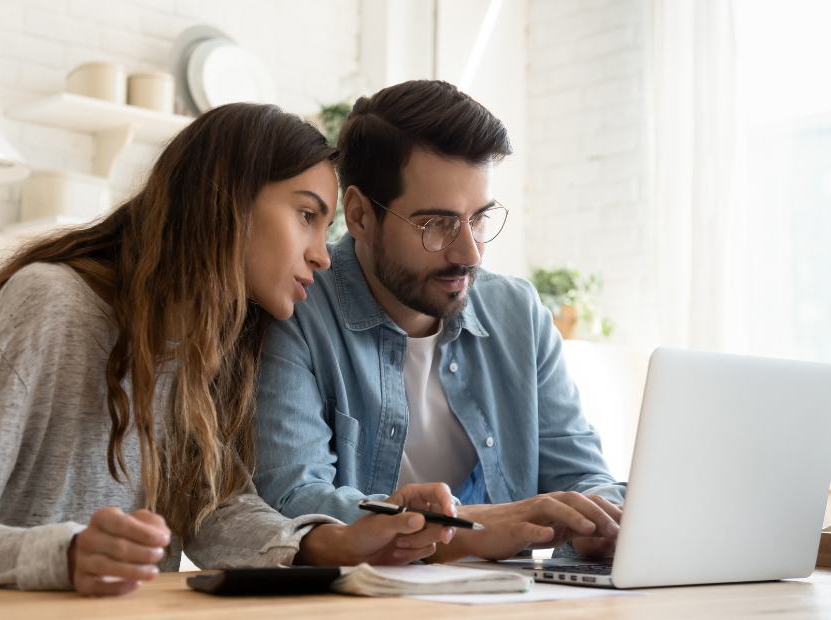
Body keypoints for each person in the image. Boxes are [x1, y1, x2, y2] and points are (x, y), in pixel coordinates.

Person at [0, 103, 456, 596]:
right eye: (306, 215)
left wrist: (330, 542)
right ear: (227, 201)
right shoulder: (50, 303)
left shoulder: (216, 344)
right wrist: (65, 555)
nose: (323, 256)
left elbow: (212, 511)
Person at [254, 81, 627, 563]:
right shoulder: (294, 310)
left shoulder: (518, 314)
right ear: (361, 215)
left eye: (479, 219)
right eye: (437, 224)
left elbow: (581, 474)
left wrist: (602, 521)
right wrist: (467, 530)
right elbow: (293, 500)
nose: (469, 253)